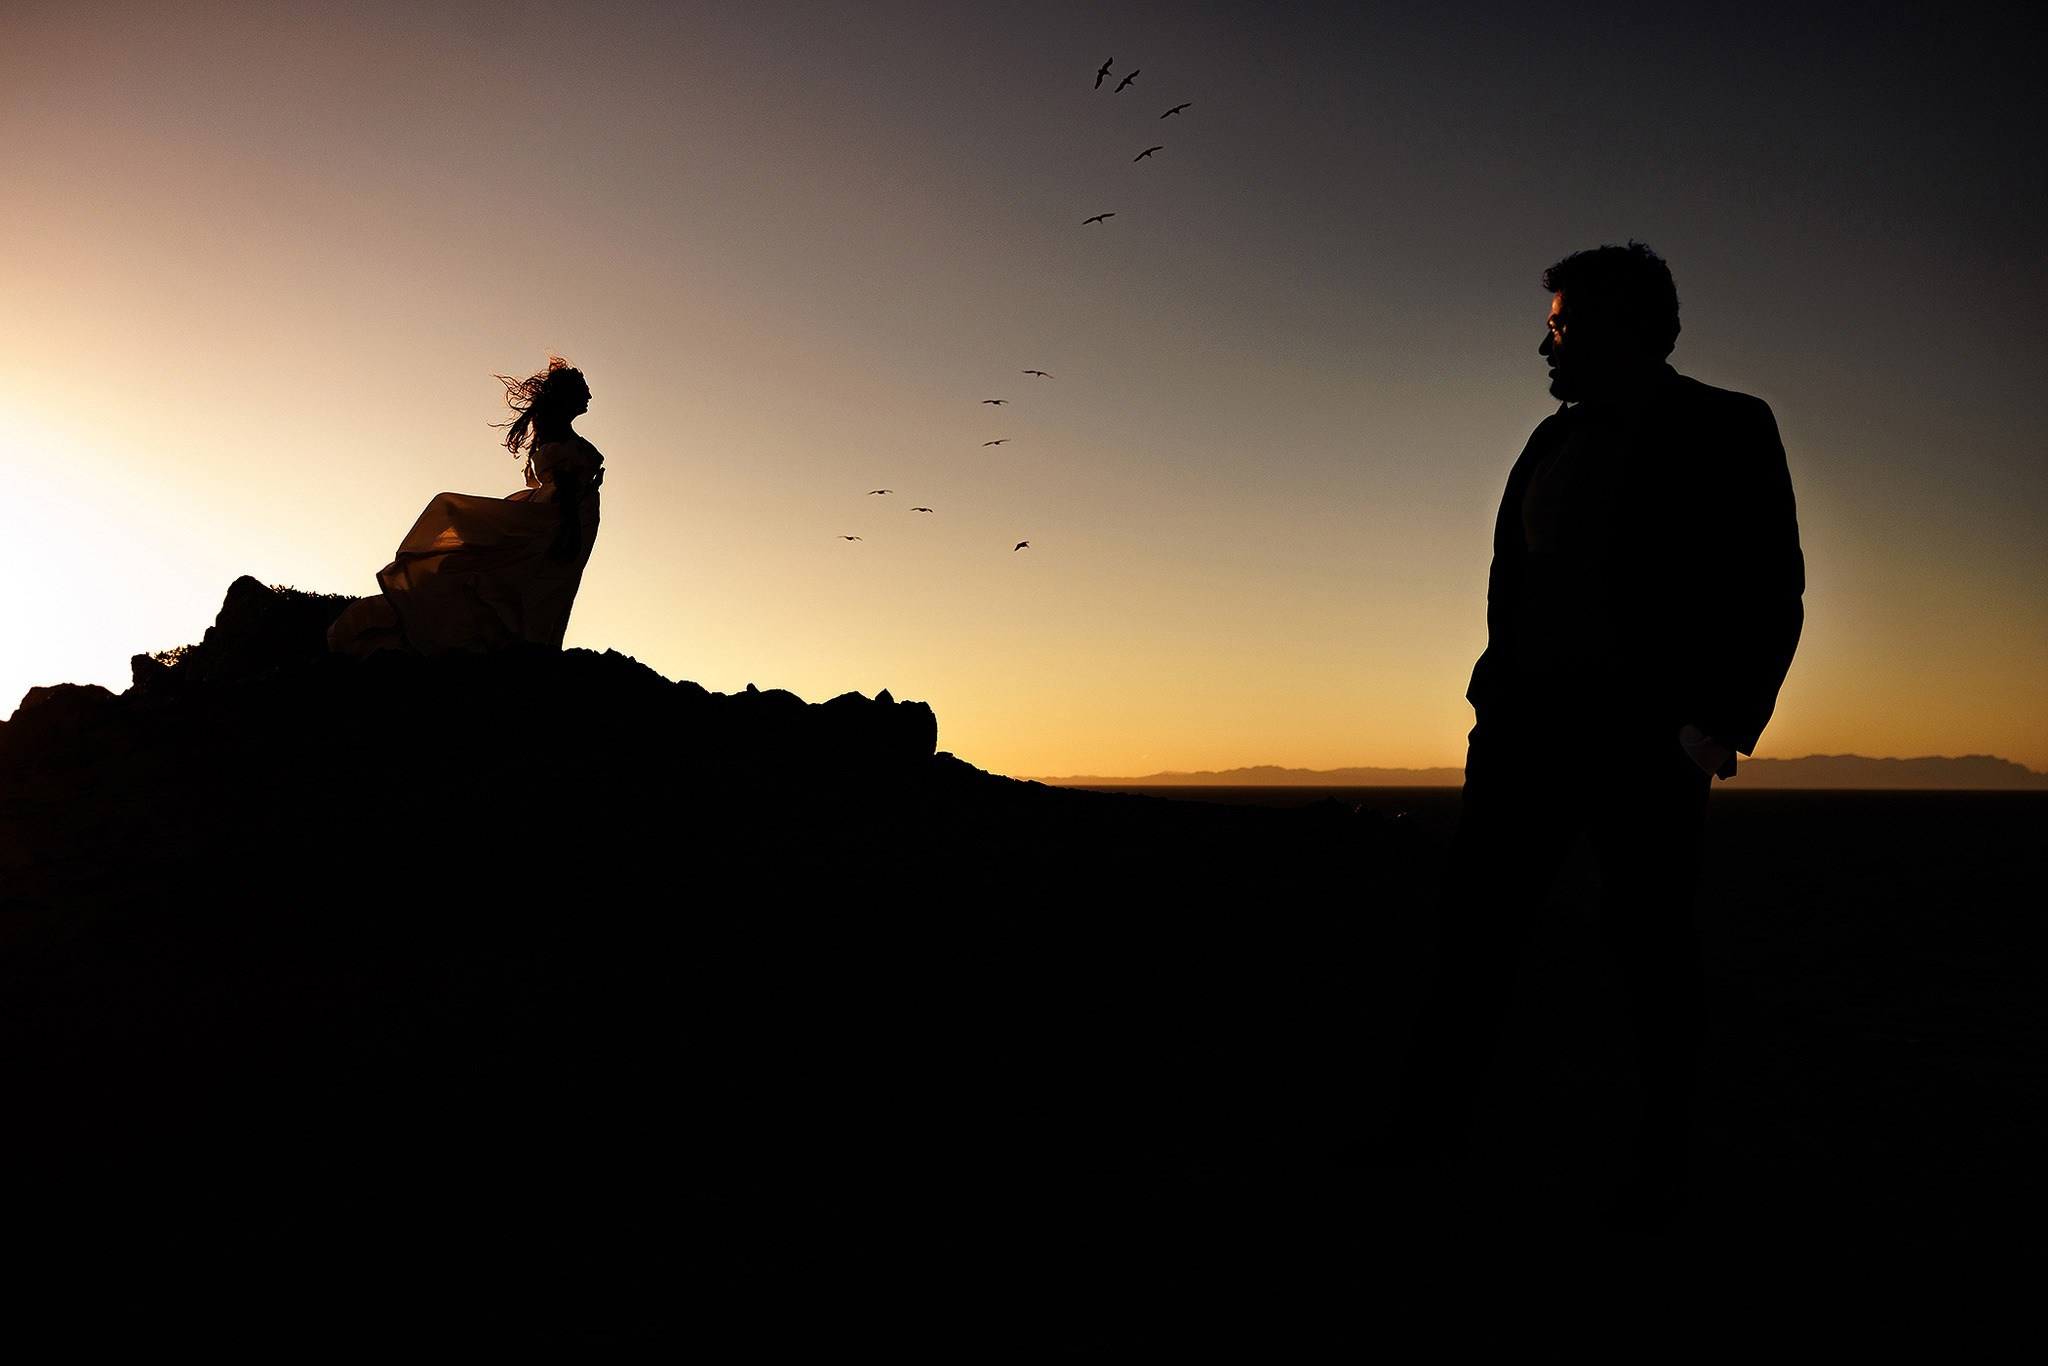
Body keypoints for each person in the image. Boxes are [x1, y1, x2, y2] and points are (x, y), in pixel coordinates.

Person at [1342, 243, 1804, 1230]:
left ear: (1622, 325)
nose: (1542, 344)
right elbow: (1515, 589)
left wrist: (1712, 727)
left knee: (1648, 958)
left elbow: (1770, 588)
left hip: (1644, 750)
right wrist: (1489, 701)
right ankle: (1429, 1132)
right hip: (1522, 742)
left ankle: (1657, 1179)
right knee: (1472, 943)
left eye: (1560, 323)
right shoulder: (1544, 444)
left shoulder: (1725, 427)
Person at [328, 358, 605, 658]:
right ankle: (521, 648)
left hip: (569, 515)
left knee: (541, 585)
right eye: (583, 390)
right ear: (567, 396)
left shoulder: (557, 432)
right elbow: (562, 485)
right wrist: (573, 530)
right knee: (529, 582)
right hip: (561, 520)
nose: (589, 395)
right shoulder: (559, 436)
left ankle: (531, 646)